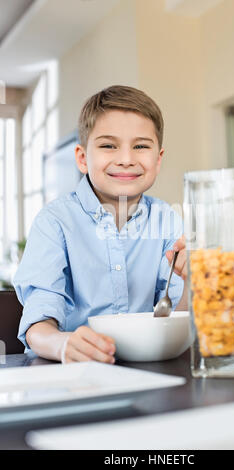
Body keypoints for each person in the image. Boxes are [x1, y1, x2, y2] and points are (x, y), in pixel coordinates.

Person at [13, 85, 188, 364]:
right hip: (71, 375)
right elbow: (38, 324)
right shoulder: (54, 222)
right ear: (82, 158)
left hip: (146, 369)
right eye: (108, 145)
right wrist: (63, 344)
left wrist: (191, 282)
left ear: (158, 158)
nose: (126, 159)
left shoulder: (167, 220)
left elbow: (174, 315)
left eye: (141, 146)